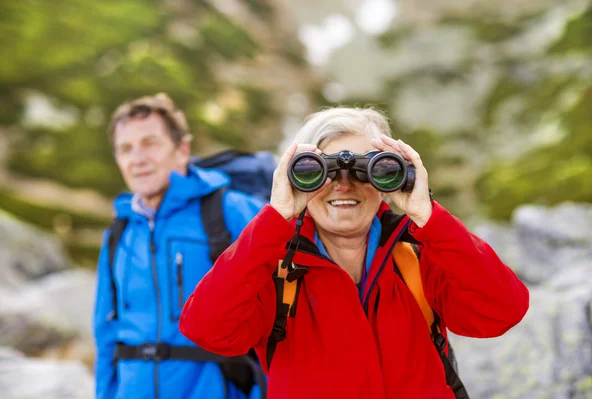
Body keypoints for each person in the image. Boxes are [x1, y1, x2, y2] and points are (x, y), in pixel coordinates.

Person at [179, 107, 530, 399]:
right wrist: (276, 218)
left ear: (394, 174)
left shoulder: (419, 256)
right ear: (292, 177)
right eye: (318, 170)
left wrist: (428, 215)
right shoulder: (274, 267)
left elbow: (501, 311)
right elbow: (208, 330)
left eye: (371, 168)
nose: (343, 184)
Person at [92, 93, 264, 399]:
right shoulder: (119, 232)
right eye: (125, 149)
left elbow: (281, 318)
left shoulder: (232, 211)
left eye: (150, 143)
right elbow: (105, 335)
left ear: (182, 149)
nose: (137, 159)